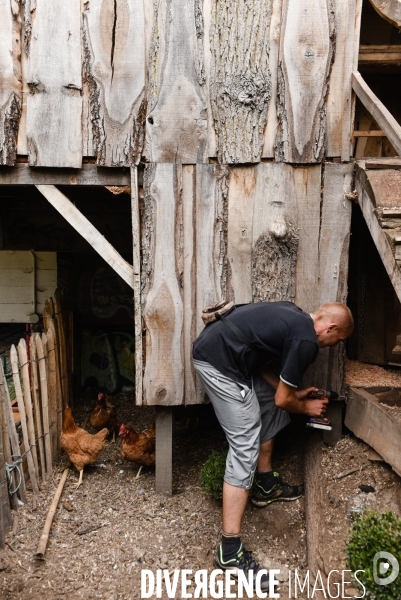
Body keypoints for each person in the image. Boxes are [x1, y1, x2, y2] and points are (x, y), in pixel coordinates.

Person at [192, 301, 354, 590]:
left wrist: (292, 391)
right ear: (330, 328)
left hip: (226, 352)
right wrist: (306, 408)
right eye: (337, 340)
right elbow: (285, 401)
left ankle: (265, 485)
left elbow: (268, 371)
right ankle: (229, 551)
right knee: (244, 444)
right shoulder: (306, 341)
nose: (332, 346)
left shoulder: (294, 314)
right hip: (217, 361)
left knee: (268, 401)